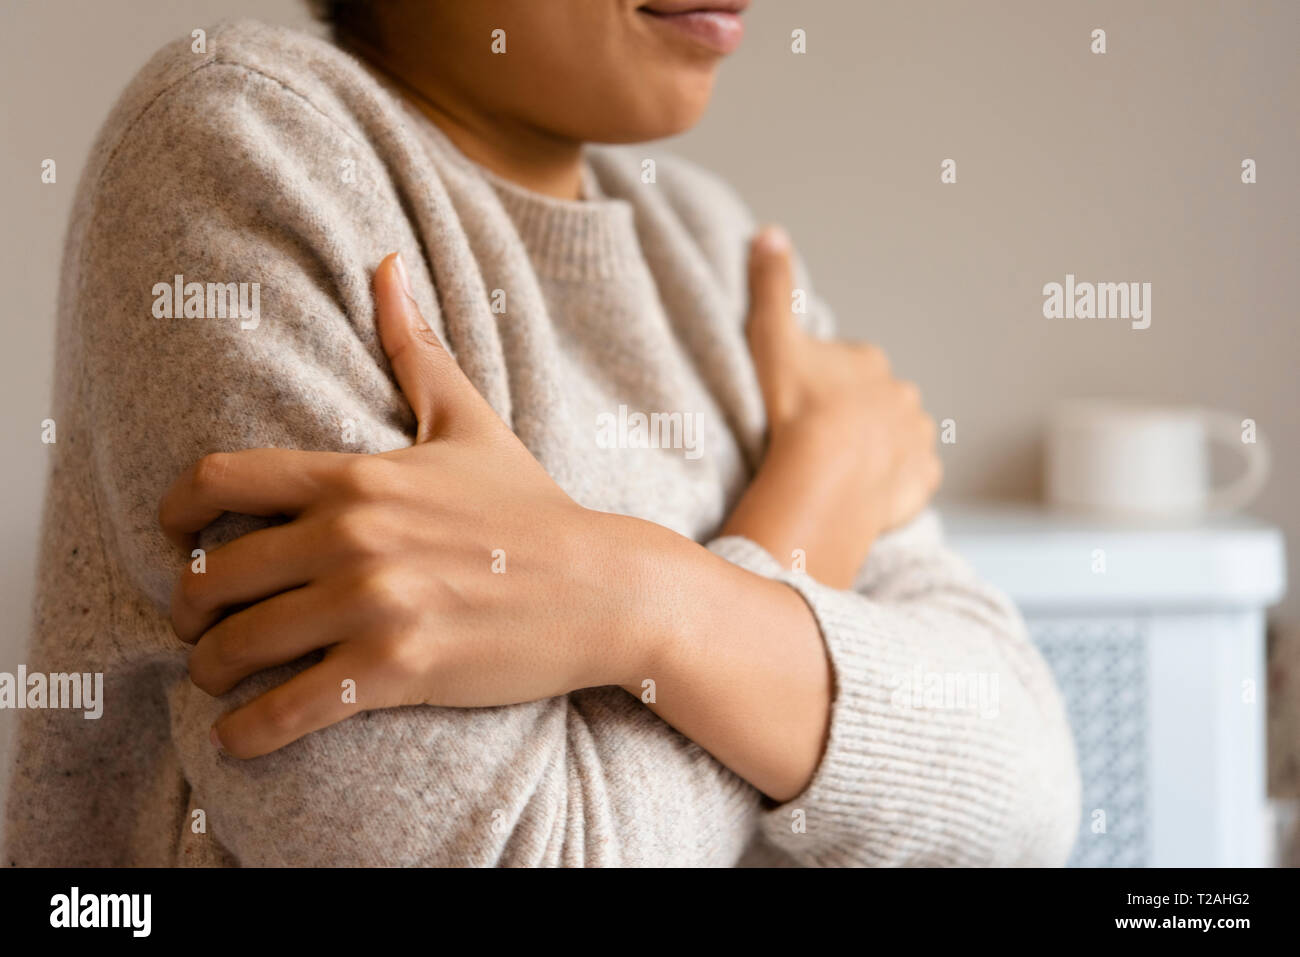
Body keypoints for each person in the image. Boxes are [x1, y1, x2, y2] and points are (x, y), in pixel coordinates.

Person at [4, 2, 1079, 866]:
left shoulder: (712, 250)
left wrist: (637, 598)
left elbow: (1025, 794)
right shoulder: (250, 142)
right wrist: (801, 519)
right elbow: (520, 853)